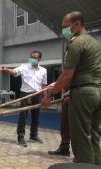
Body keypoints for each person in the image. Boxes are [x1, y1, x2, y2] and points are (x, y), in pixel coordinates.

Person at [41, 11, 101, 165]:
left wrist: (50, 94)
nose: (64, 30)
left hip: (84, 94)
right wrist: (71, 91)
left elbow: (67, 75)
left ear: (77, 24)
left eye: (65, 26)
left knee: (80, 136)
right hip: (96, 92)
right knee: (94, 133)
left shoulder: (76, 43)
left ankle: (84, 165)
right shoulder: (94, 43)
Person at [2, 51, 47, 147]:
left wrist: (45, 97)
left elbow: (44, 85)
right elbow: (14, 72)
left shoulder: (43, 70)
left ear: (39, 59)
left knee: (36, 116)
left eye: (34, 57)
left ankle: (34, 135)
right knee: (23, 116)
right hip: (25, 94)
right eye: (31, 57)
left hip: (37, 94)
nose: (32, 59)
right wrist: (6, 69)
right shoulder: (24, 67)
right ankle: (20, 137)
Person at [48, 92, 71, 156]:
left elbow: (63, 81)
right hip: (73, 95)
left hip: (79, 95)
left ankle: (83, 158)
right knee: (65, 124)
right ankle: (64, 148)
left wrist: (49, 95)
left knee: (78, 127)